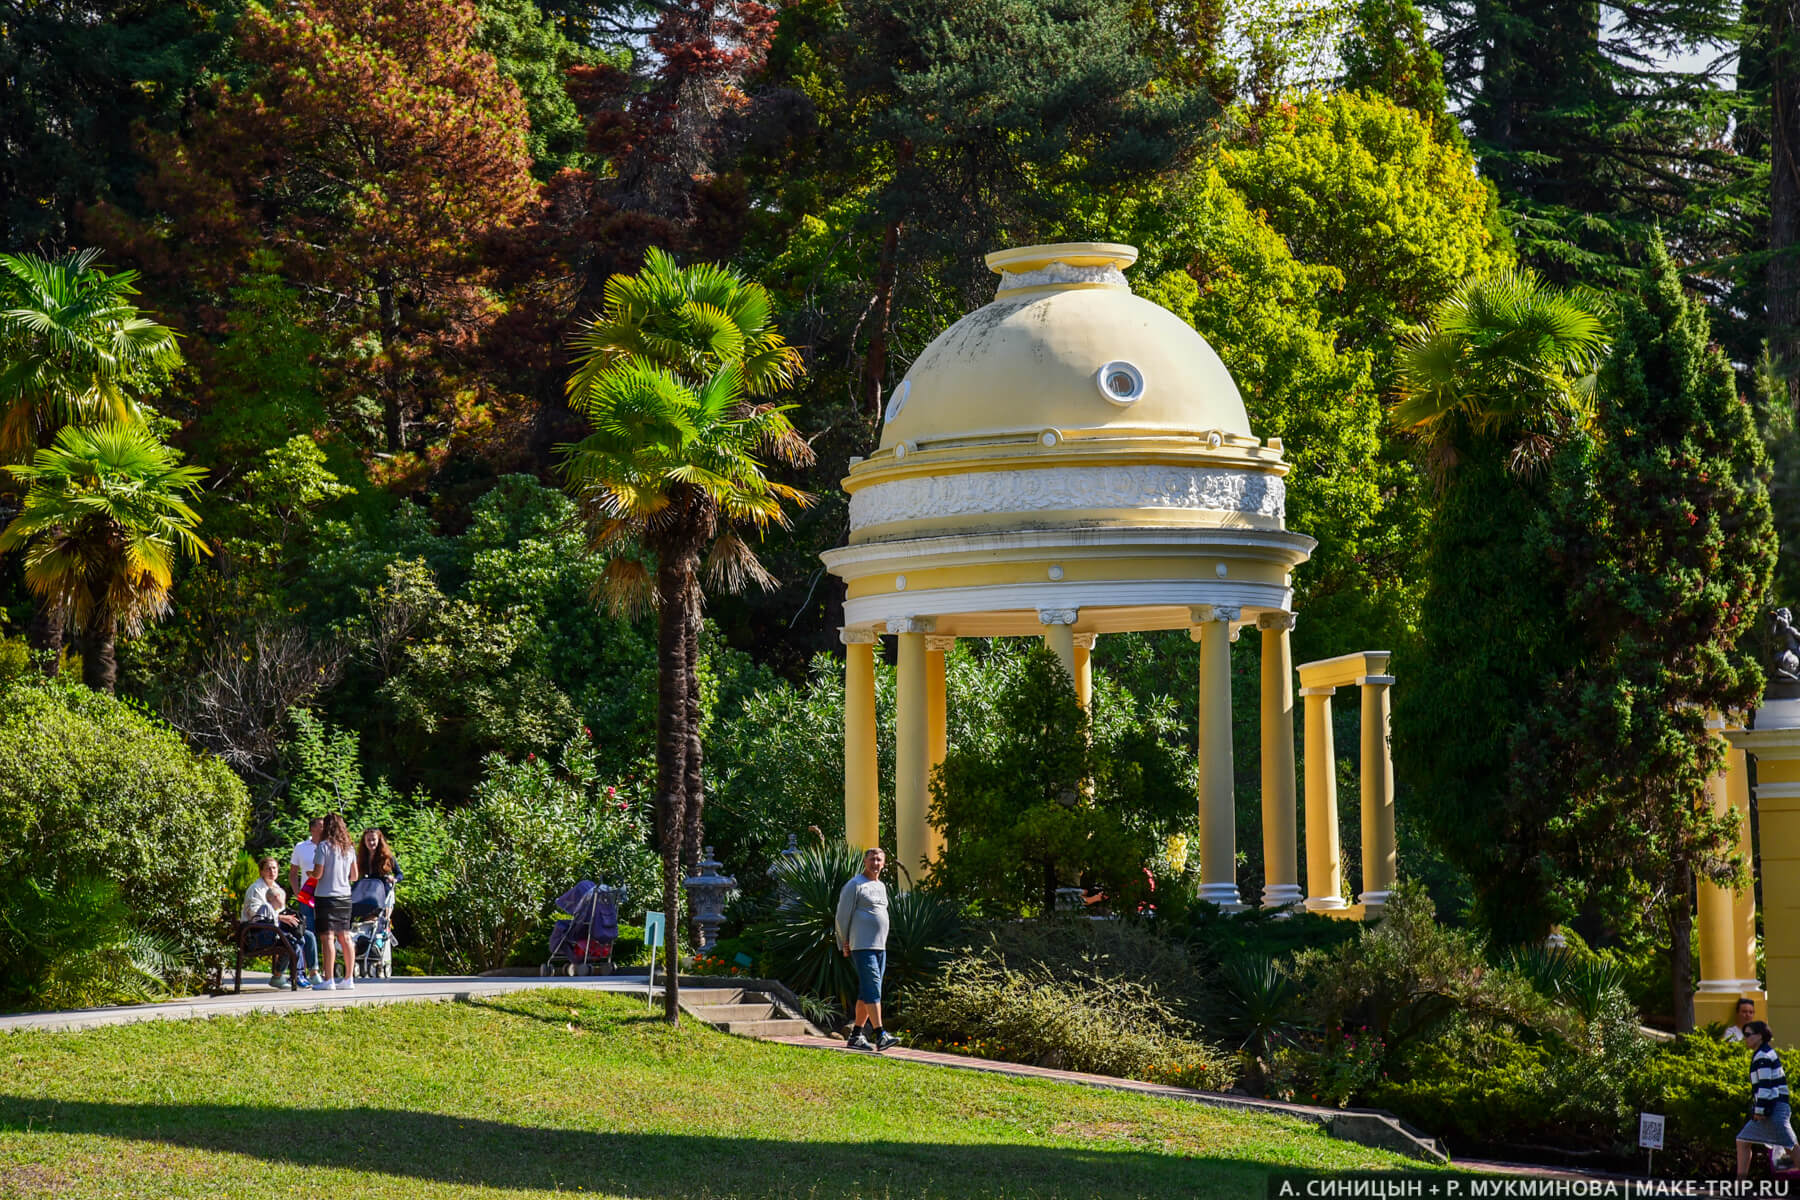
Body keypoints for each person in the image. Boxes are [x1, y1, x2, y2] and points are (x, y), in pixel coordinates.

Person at [835, 846, 897, 1052]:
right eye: (872, 859)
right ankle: (880, 1034)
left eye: (879, 860)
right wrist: (843, 941)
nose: (875, 863)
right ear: (865, 861)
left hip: (880, 946)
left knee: (868, 991)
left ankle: (855, 1036)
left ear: (884, 863)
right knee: (872, 989)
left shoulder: (881, 886)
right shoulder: (855, 884)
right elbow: (842, 916)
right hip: (862, 946)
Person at [240, 858, 313, 990]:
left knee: (307, 935)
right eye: (268, 868)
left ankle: (313, 973)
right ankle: (285, 975)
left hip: (275, 929)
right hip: (257, 932)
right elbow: (255, 914)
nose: (272, 871)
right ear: (261, 872)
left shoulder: (278, 889)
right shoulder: (256, 889)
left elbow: (281, 912)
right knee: (292, 939)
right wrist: (281, 917)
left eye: (274, 868)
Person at [1737, 1020, 1798, 1178]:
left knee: (1792, 1147)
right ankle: (1739, 1185)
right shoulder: (1765, 1053)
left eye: (1748, 1035)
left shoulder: (1762, 1056)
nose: (1746, 1038)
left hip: (1774, 1110)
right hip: (1774, 1108)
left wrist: (1759, 1110)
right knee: (1743, 1141)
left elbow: (1765, 1086)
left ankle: (1740, 1185)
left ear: (1760, 1036)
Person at [309, 812, 361, 991]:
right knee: (345, 936)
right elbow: (354, 876)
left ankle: (329, 979)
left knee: (327, 937)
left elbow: (318, 874)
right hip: (345, 897)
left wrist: (309, 874)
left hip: (326, 896)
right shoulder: (350, 849)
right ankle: (348, 979)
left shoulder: (323, 846)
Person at [289, 817, 324, 986]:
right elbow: (293, 873)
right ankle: (308, 972)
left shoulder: (329, 846)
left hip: (326, 895)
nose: (323, 829)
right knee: (306, 933)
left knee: (326, 934)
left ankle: (327, 972)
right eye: (320, 826)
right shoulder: (301, 847)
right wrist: (297, 893)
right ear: (312, 829)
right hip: (307, 896)